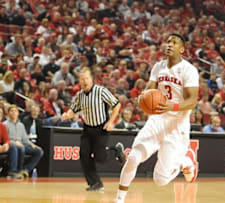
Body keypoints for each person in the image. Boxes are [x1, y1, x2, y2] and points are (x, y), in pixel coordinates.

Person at [115, 34, 199, 203]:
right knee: (133, 158)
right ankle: (119, 199)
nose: (169, 45)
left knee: (160, 180)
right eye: (168, 41)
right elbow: (150, 89)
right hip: (157, 119)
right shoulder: (158, 67)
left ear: (181, 49)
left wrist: (172, 106)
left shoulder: (189, 70)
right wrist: (143, 97)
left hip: (177, 124)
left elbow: (192, 100)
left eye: (174, 43)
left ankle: (186, 161)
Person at [61, 67, 125, 192]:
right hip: (87, 129)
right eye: (82, 79)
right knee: (84, 155)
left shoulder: (101, 91)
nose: (84, 81)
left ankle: (116, 150)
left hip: (101, 128)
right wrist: (66, 115)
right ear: (79, 81)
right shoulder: (79, 95)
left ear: (91, 79)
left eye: (86, 78)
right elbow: (73, 110)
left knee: (100, 157)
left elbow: (117, 105)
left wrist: (111, 122)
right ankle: (95, 183)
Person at [4, 105, 44, 178]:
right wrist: (15, 143)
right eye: (11, 111)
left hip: (22, 145)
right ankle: (14, 171)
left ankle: (25, 169)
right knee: (18, 148)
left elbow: (25, 139)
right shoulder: (5, 124)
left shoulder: (21, 125)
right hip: (10, 145)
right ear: (8, 113)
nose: (13, 113)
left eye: (15, 111)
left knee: (39, 151)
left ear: (18, 113)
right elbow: (5, 139)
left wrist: (32, 145)